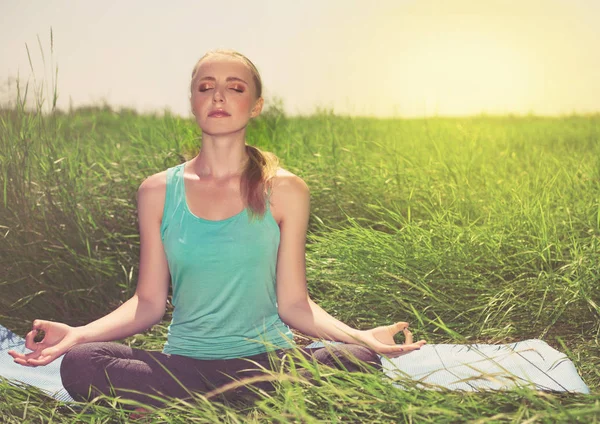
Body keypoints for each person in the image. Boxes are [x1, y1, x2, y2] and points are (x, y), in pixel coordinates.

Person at [8, 49, 426, 410]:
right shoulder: (157, 191)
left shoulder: (286, 190)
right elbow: (149, 303)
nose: (219, 95)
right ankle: (243, 404)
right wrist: (77, 334)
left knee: (358, 362)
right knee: (82, 363)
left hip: (268, 364)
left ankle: (196, 405)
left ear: (256, 105)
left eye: (235, 87)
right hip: (185, 364)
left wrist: (361, 337)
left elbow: (295, 304)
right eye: (206, 87)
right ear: (192, 100)